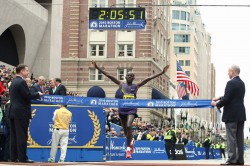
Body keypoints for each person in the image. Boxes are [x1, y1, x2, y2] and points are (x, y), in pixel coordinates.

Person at [92, 60, 169, 158]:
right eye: (127, 75)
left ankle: (128, 149)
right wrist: (97, 67)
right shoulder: (121, 85)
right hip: (122, 110)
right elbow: (109, 76)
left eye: (131, 76)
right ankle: (131, 141)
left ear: (133, 78)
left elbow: (148, 78)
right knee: (125, 131)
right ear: (125, 77)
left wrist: (161, 73)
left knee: (129, 126)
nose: (129, 77)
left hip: (131, 110)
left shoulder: (136, 86)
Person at [211, 64, 245, 165]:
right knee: (239, 138)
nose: (227, 73)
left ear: (233, 72)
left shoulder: (230, 83)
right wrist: (219, 97)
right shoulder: (241, 83)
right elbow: (233, 96)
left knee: (231, 138)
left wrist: (216, 104)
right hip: (240, 114)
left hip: (231, 115)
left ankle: (231, 160)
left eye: (229, 71)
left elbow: (227, 99)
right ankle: (239, 160)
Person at [9, 64, 43, 162]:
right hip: (21, 112)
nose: (28, 72)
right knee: (22, 136)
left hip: (13, 111)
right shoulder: (21, 82)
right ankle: (22, 158)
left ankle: (13, 157)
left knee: (14, 136)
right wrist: (38, 94)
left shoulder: (13, 81)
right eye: (27, 71)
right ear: (22, 71)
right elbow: (27, 95)